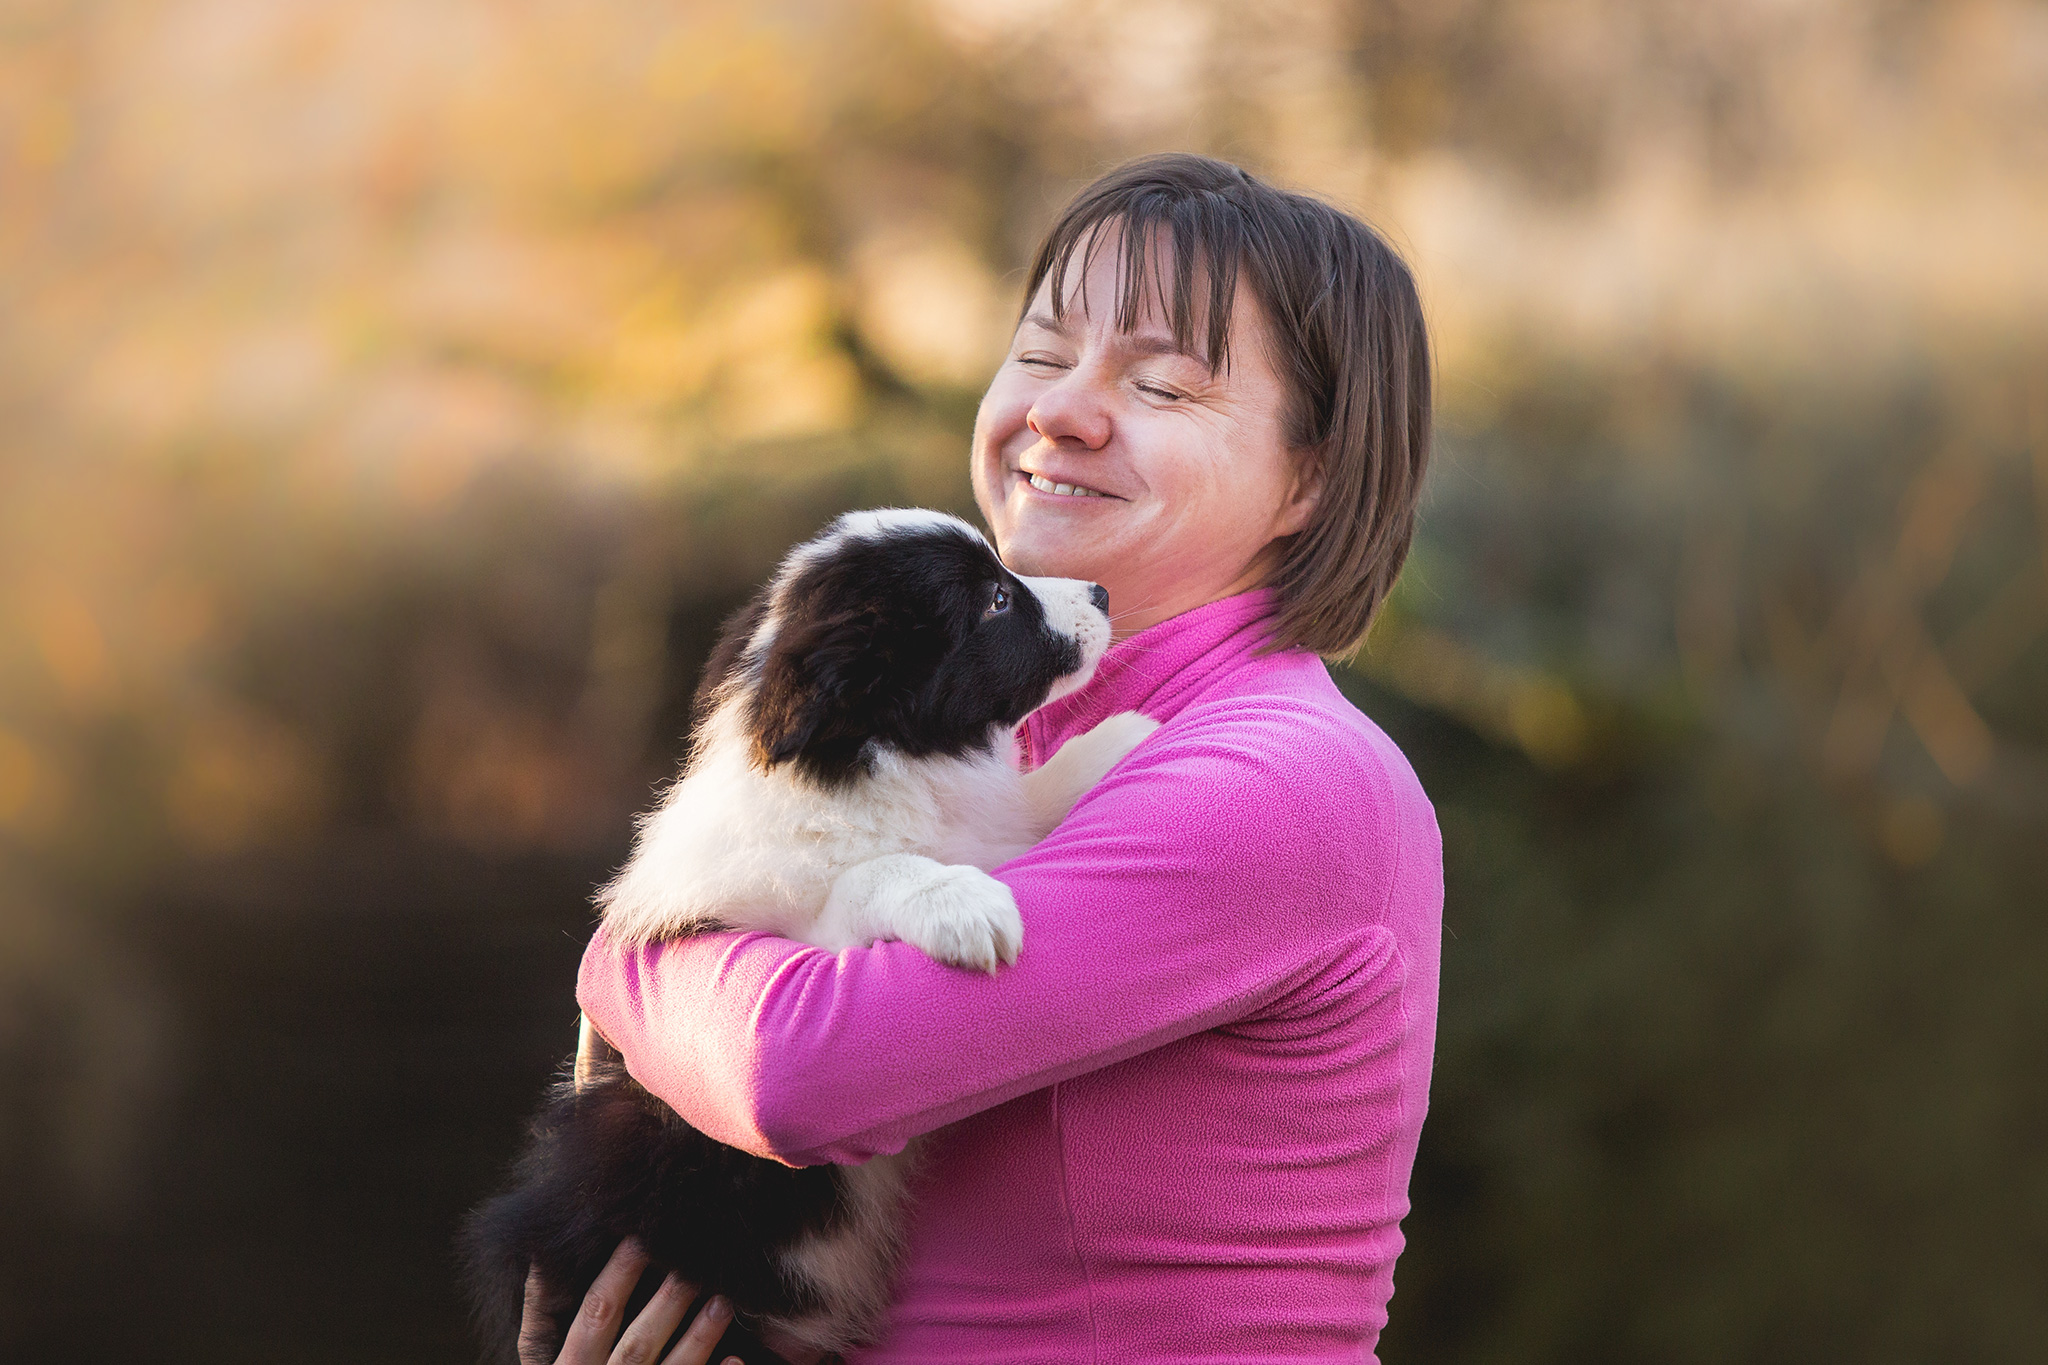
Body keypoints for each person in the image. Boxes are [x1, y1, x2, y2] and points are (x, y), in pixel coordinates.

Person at [540, 152, 1439, 1364]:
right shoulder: (992, 733)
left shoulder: (1279, 783)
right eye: (1039, 350)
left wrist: (627, 955)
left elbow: (802, 1074)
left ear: (1310, 478)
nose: (1060, 409)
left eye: (1162, 385)